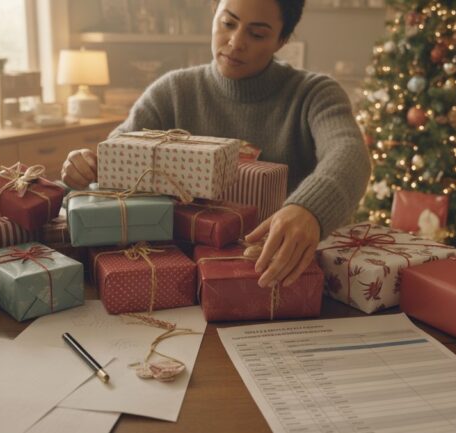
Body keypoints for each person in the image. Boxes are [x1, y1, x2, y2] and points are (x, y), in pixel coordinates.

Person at [61, 0, 371, 290]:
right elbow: (113, 158)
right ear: (213, 11)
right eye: (227, 23)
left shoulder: (314, 94)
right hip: (175, 278)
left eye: (257, 33)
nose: (236, 42)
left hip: (277, 277)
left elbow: (349, 154)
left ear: (282, 40)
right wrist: (86, 169)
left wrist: (309, 210)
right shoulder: (172, 92)